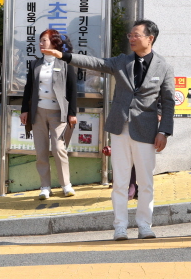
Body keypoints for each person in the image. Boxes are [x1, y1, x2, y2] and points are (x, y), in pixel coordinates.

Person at [42, 20, 175, 240]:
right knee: (120, 181)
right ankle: (120, 226)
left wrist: (165, 131)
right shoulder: (122, 61)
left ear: (150, 38)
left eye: (136, 35)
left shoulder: (164, 66)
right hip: (119, 128)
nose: (131, 38)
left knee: (146, 181)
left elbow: (168, 101)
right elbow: (95, 62)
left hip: (147, 130)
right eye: (129, 35)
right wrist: (63, 56)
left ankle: (144, 225)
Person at [20, 29, 78, 199]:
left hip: (58, 113)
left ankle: (66, 185)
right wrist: (24, 110)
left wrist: (72, 113)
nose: (40, 43)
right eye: (40, 40)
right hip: (38, 112)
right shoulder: (35, 64)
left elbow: (72, 89)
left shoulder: (64, 63)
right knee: (41, 150)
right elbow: (28, 88)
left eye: (44, 40)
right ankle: (45, 186)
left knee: (59, 148)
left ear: (54, 43)